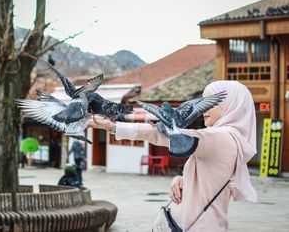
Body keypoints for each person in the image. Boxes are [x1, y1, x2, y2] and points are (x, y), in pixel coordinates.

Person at [88, 80, 257, 232]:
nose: (205, 108)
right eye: (203, 102)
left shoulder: (222, 137)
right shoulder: (230, 139)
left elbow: (167, 134)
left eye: (211, 101)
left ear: (231, 104)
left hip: (196, 226)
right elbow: (208, 179)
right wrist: (181, 179)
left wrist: (114, 127)